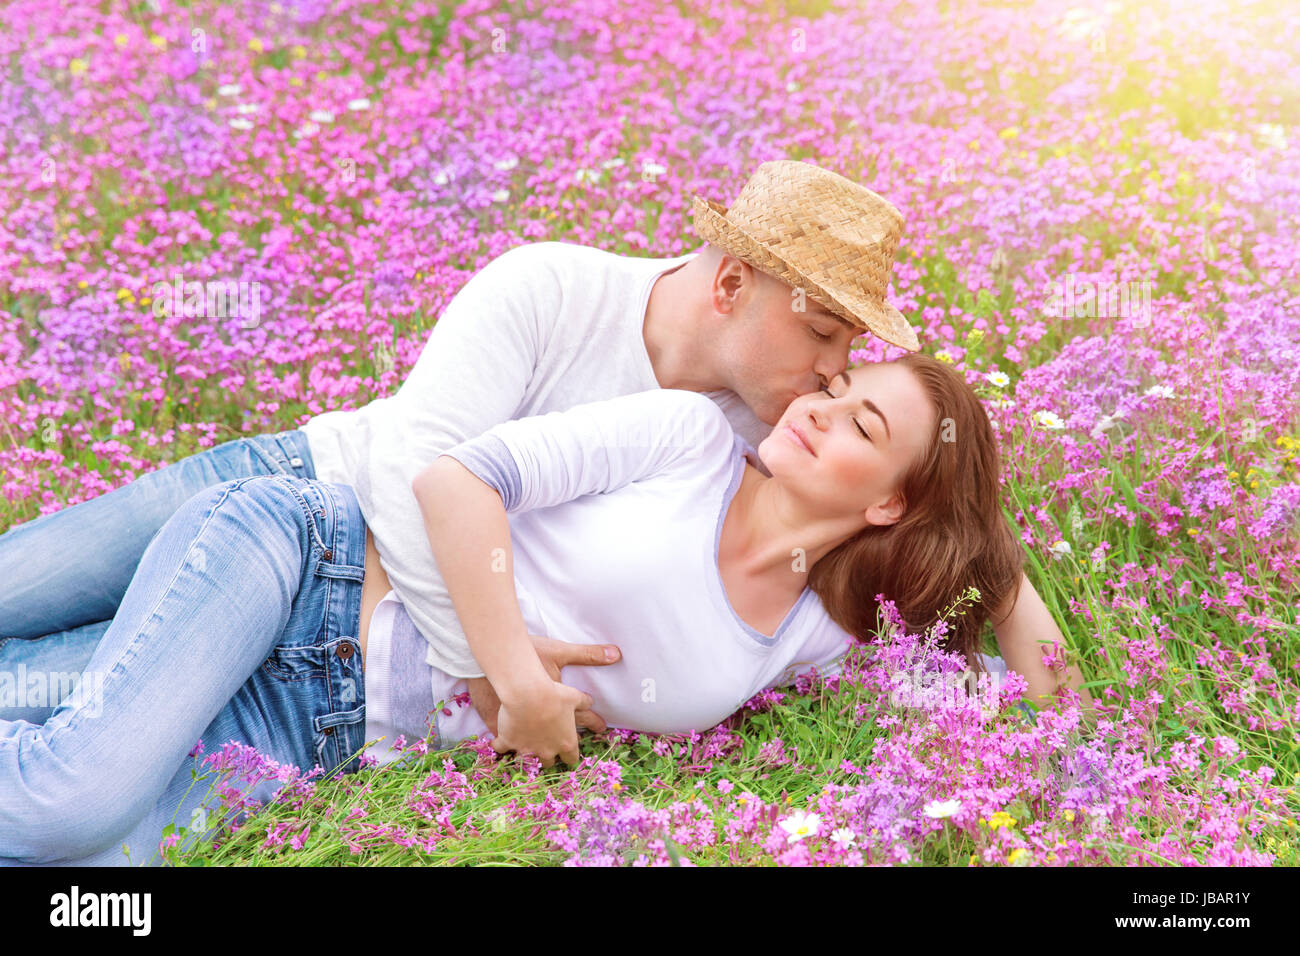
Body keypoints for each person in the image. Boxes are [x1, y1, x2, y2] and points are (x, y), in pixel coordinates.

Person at [0, 161, 1079, 735]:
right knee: (20, 594)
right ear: (731, 283)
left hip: (346, 630)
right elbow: (413, 464)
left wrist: (976, 523)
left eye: (850, 349)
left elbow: (930, 534)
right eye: (825, 329)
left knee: (76, 701)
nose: (832, 370)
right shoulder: (552, 286)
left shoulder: (769, 430)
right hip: (295, 496)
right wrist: (490, 665)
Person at [0, 351, 1084, 866]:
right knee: (65, 806)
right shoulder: (687, 437)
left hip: (316, 729)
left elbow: (1049, 698)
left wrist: (986, 540)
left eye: (861, 427)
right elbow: (457, 477)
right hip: (296, 566)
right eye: (835, 391)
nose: (818, 411)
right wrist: (515, 673)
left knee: (91, 871)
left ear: (890, 498)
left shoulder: (821, 633)